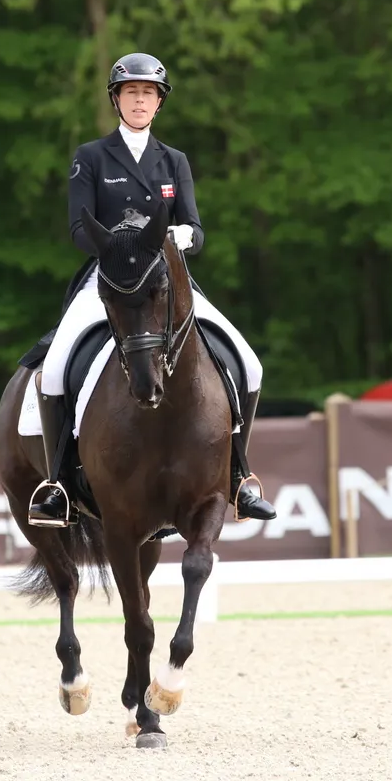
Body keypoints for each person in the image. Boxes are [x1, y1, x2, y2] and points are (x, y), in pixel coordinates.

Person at [27, 51, 276, 526]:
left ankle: (239, 476)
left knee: (250, 362)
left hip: (166, 284)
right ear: (116, 99)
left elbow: (196, 229)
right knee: (55, 369)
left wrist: (184, 236)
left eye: (148, 93)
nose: (139, 101)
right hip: (112, 281)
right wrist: (117, 241)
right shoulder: (91, 157)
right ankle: (58, 485)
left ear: (158, 103)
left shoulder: (174, 161)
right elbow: (79, 231)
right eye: (131, 92)